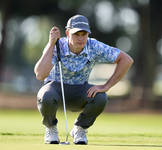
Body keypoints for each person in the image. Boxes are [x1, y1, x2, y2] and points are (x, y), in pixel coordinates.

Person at [34, 14, 133, 145]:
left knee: (101, 97)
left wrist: (106, 86)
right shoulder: (57, 45)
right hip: (55, 90)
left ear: (88, 34)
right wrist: (51, 44)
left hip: (79, 91)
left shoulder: (94, 46)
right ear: (68, 33)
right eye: (76, 34)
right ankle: (51, 128)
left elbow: (126, 60)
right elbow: (40, 75)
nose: (81, 38)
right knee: (45, 95)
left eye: (84, 34)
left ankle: (79, 129)